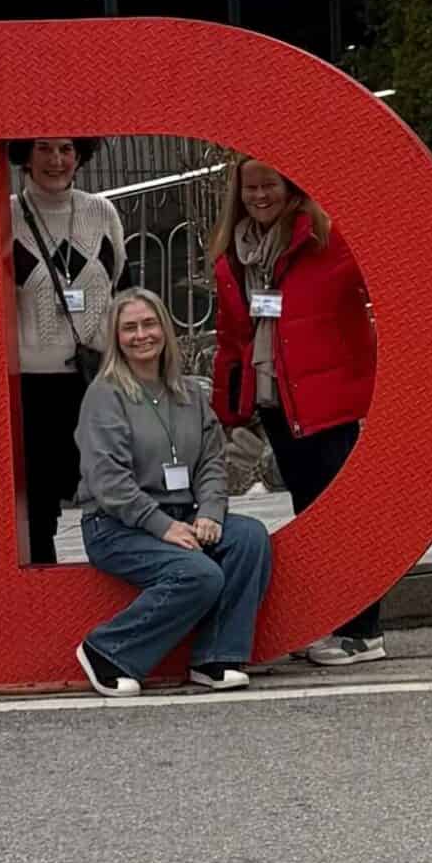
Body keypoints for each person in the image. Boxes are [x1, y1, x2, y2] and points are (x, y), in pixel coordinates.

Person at [210, 157, 383, 666]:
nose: (259, 196)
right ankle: (332, 621)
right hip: (277, 402)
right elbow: (232, 339)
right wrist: (229, 407)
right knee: (308, 514)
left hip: (328, 403)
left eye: (269, 186)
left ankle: (364, 630)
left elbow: (389, 275)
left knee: (342, 517)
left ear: (291, 189)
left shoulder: (327, 239)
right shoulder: (234, 257)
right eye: (250, 189)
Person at [73, 288, 272, 697]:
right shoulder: (104, 396)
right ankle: (107, 650)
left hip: (179, 516)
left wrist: (211, 512)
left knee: (249, 537)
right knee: (197, 573)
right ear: (116, 338)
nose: (141, 335)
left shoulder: (189, 395)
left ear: (165, 328)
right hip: (116, 526)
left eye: (149, 324)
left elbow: (212, 462)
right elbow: (107, 478)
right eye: (129, 328)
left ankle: (215, 657)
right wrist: (161, 525)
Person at [8, 136, 126, 565]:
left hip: (98, 378)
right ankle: (41, 600)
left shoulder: (102, 213)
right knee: (38, 504)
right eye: (43, 149)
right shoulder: (6, 215)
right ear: (25, 154)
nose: (56, 160)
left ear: (80, 154)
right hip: (33, 386)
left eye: (65, 149)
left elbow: (122, 288)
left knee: (116, 489)